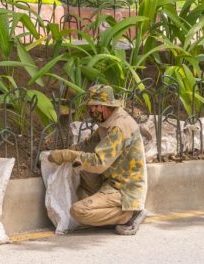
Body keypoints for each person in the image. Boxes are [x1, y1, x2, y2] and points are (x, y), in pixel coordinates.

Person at [48, 84, 148, 235]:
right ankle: (112, 215)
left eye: (92, 107)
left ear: (103, 106)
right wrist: (62, 152)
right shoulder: (108, 121)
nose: (90, 111)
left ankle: (130, 214)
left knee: (78, 211)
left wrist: (68, 155)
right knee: (80, 182)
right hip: (110, 180)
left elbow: (99, 163)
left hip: (125, 189)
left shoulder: (118, 127)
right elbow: (88, 145)